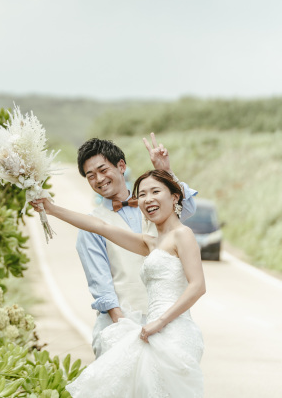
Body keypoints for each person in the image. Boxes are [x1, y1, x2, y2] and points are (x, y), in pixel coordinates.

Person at [32, 170, 205, 397]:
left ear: (174, 197)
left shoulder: (183, 234)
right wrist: (52, 209)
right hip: (150, 331)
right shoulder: (150, 243)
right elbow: (100, 227)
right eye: (142, 194)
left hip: (173, 331)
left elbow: (198, 286)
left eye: (155, 191)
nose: (148, 199)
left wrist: (159, 323)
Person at [76, 135, 197, 356]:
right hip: (121, 324)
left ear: (121, 166)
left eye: (103, 170)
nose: (99, 179)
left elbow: (187, 207)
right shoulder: (92, 226)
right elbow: (101, 285)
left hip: (167, 320)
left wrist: (166, 172)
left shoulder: (154, 205)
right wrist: (122, 327)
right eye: (90, 176)